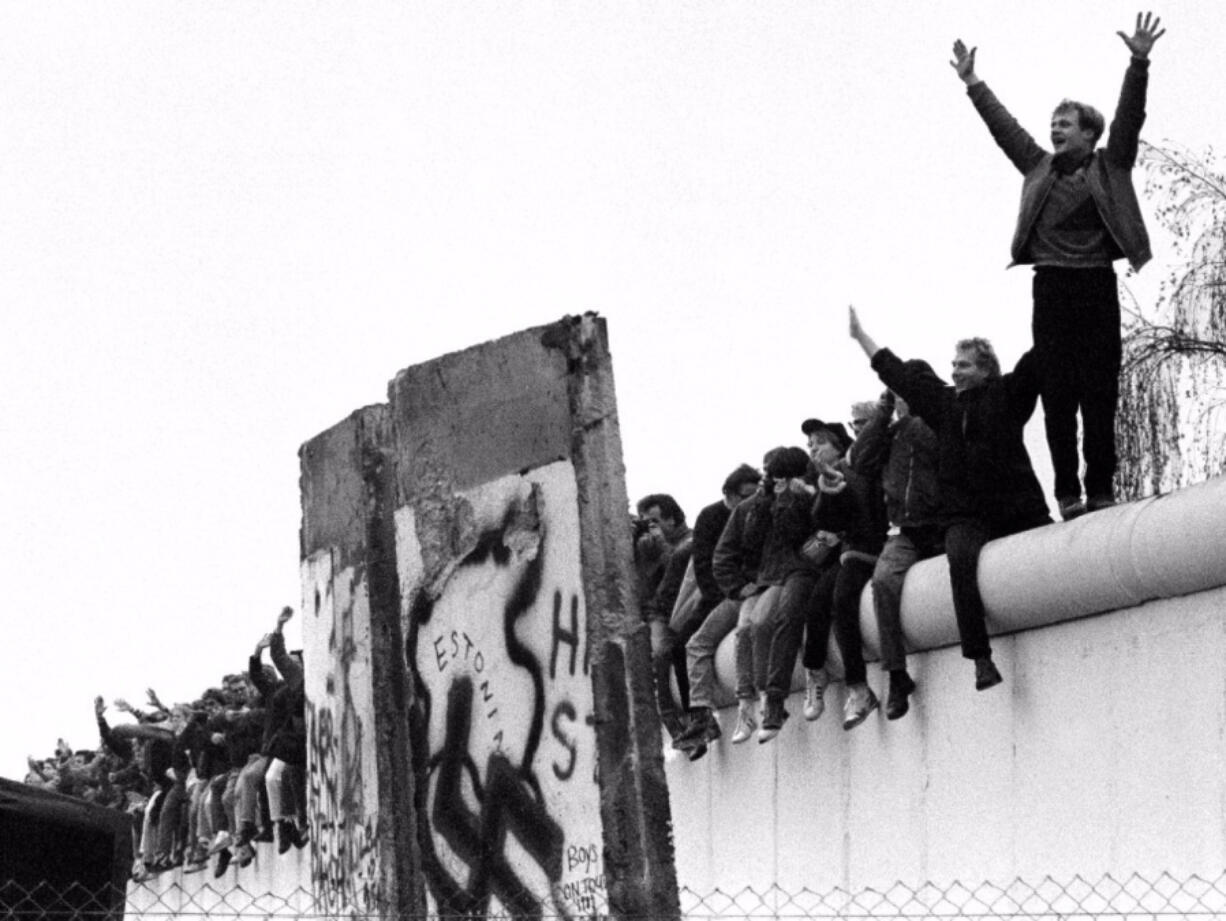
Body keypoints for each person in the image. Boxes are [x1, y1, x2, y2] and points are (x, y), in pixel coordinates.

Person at [950, 13, 1165, 519]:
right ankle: (1067, 493)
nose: (1054, 130)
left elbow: (1130, 117)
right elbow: (1004, 128)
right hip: (1050, 288)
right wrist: (973, 82)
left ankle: (1103, 487)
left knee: (1099, 391)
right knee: (1057, 393)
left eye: (1065, 124)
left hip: (1094, 286)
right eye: (1052, 124)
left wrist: (1138, 62)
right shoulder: (1037, 165)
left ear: (1089, 133)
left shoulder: (1110, 165)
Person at [849, 306, 1052, 690]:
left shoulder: (1008, 395)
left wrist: (1061, 303)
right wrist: (861, 337)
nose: (956, 371)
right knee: (959, 560)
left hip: (1016, 506)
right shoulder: (944, 405)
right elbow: (897, 373)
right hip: (966, 516)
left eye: (965, 365)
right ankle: (980, 659)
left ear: (986, 369)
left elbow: (1037, 358)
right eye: (954, 364)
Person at [851, 383, 942, 720]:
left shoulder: (932, 421)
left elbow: (931, 447)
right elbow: (860, 462)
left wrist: (908, 418)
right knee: (884, 581)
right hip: (904, 531)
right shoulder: (889, 434)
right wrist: (881, 414)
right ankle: (896, 674)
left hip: (942, 524)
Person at [672, 464, 762, 760]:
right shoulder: (712, 517)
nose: (750, 500)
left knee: (697, 643)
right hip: (719, 593)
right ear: (730, 495)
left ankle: (701, 715)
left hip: (742, 590)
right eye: (745, 496)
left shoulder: (752, 512)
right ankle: (697, 715)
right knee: (682, 643)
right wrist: (725, 593)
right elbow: (706, 566)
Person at [804, 421, 888, 730]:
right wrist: (827, 492)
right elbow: (825, 521)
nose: (813, 449)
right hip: (850, 552)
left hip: (869, 548)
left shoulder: (858, 466)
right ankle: (817, 673)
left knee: (842, 601)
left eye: (819, 443)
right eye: (810, 444)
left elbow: (853, 515)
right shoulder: (830, 477)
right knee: (817, 604)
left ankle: (859, 689)